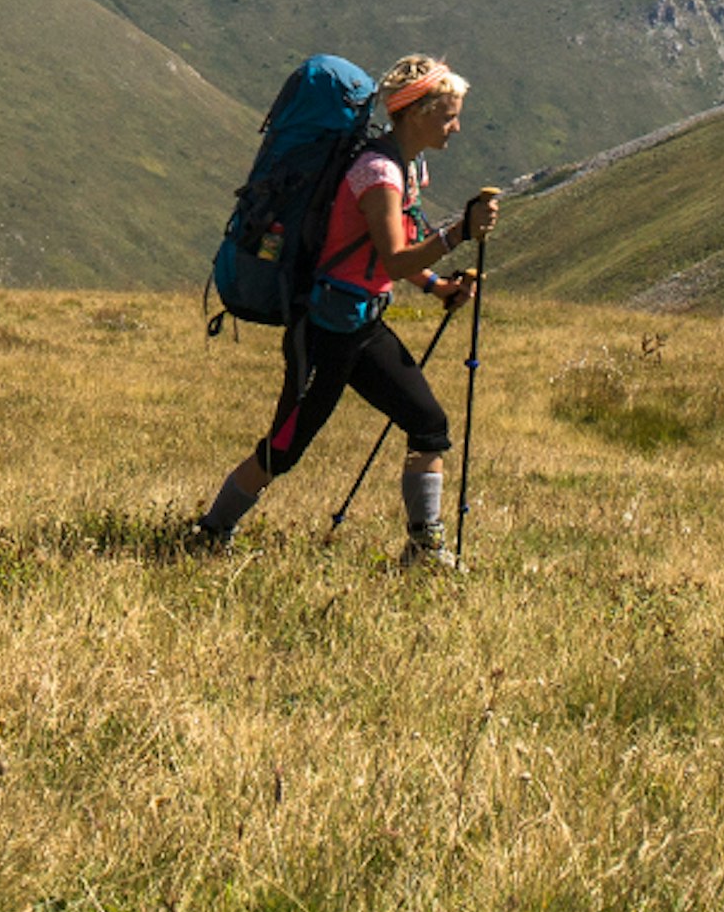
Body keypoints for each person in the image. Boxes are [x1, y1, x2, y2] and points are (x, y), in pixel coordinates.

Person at [186, 54, 499, 567]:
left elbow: (383, 253)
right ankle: (209, 531)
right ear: (415, 112)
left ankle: (425, 549)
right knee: (283, 449)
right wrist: (459, 234)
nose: (456, 126)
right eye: (447, 114)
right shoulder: (378, 173)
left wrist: (438, 285)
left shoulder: (406, 166)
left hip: (361, 324)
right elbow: (395, 258)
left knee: (429, 426)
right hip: (326, 331)